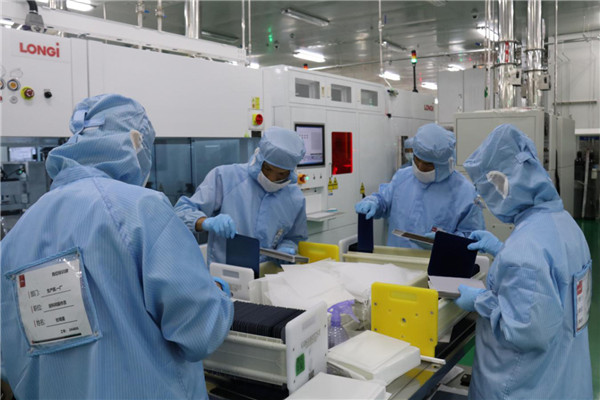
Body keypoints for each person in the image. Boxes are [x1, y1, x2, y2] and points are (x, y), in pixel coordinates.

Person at [0, 94, 234, 399]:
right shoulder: (141, 209)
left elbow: (9, 359)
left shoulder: (16, 236)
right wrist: (217, 293)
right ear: (135, 143)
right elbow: (201, 333)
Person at [456, 124, 593, 399]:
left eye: (487, 190)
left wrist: (481, 300)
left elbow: (527, 330)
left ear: (503, 184)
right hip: (565, 374)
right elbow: (551, 281)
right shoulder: (564, 223)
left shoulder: (526, 248)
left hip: (525, 386)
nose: (486, 199)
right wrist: (502, 250)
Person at [175, 126, 308, 265]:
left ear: (291, 172)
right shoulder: (225, 177)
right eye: (267, 169)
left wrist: (287, 247)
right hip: (225, 274)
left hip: (270, 273)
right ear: (258, 158)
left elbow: (295, 237)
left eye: (281, 174)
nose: (271, 178)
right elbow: (181, 212)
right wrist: (206, 222)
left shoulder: (295, 198)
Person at [355, 123, 484, 248]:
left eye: (428, 164)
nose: (420, 167)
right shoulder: (402, 177)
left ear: (446, 163)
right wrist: (374, 202)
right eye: (417, 160)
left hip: (438, 261)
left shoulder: (464, 192)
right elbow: (384, 201)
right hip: (397, 259)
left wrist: (446, 241)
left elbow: (473, 237)